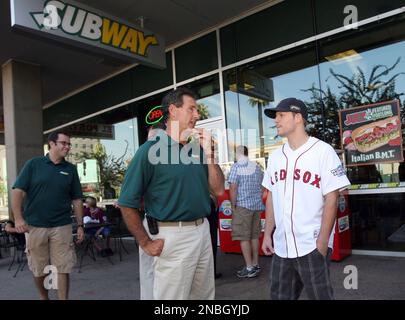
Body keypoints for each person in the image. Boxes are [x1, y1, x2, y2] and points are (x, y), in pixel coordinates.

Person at [118, 87, 225, 300]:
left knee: (204, 297)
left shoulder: (196, 150)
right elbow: (126, 202)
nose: (197, 115)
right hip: (172, 237)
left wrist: (210, 154)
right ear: (173, 111)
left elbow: (218, 189)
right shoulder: (149, 150)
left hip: (202, 232)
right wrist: (145, 242)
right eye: (191, 109)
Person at [261, 98, 350, 300]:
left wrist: (323, 242)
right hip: (282, 247)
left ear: (298, 117)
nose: (276, 120)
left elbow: (332, 198)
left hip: (311, 245)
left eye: (281, 115)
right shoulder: (275, 157)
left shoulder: (322, 151)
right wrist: (267, 234)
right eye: (276, 116)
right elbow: (271, 197)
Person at [11, 131, 84, 300]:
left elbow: (77, 199)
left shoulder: (70, 169)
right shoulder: (34, 164)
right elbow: (17, 191)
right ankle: (44, 297)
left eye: (69, 144)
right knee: (39, 268)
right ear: (51, 144)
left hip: (62, 225)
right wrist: (19, 218)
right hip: (35, 225)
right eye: (63, 143)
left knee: (63, 267)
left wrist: (80, 225)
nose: (67, 147)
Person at [229, 145, 265, 278]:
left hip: (243, 207)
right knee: (254, 236)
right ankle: (255, 264)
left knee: (244, 237)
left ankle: (249, 268)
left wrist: (233, 206)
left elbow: (233, 187)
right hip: (256, 206)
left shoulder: (236, 167)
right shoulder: (255, 166)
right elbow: (262, 186)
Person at [207, 193, 222, 279]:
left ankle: (211, 272)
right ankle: (212, 272)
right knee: (212, 241)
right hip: (209, 202)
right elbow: (217, 190)